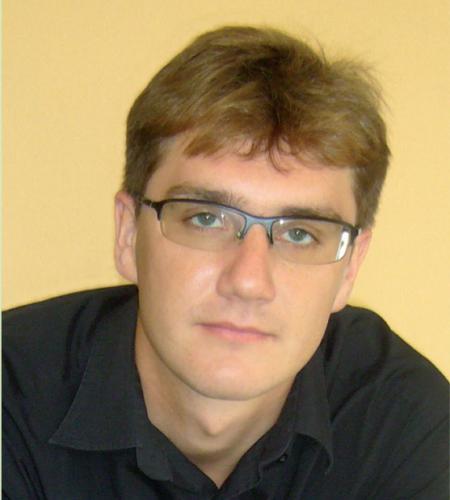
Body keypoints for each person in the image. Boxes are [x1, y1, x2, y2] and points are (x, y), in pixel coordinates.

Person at [3, 26, 448, 499]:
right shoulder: (12, 400)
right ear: (128, 234)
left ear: (350, 267)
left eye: (300, 234)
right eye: (206, 219)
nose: (248, 281)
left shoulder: (401, 421)